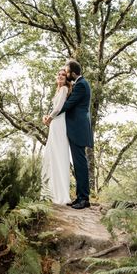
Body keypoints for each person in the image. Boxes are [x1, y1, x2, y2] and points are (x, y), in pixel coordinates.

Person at [45, 59, 93, 210]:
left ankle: (84, 198)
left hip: (78, 130)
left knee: (80, 164)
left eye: (66, 71)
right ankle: (80, 197)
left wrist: (51, 116)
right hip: (76, 129)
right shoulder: (80, 84)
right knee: (79, 165)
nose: (65, 74)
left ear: (72, 73)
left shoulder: (81, 85)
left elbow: (68, 104)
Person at [41, 68, 72, 205]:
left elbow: (59, 108)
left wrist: (49, 118)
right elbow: (56, 108)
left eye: (63, 75)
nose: (60, 76)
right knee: (53, 156)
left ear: (66, 79)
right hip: (55, 123)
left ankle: (60, 194)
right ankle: (51, 191)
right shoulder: (58, 90)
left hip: (59, 124)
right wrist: (47, 117)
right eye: (58, 74)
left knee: (58, 156)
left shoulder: (64, 89)